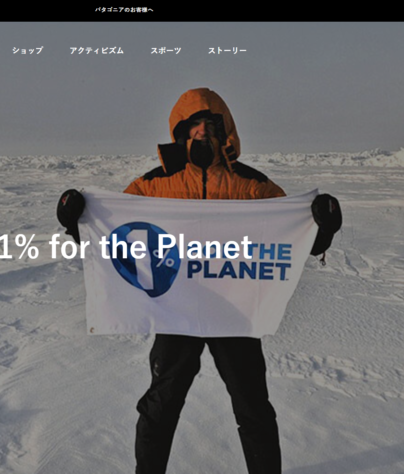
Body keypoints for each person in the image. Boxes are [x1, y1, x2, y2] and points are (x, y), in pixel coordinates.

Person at [57, 88, 342, 474]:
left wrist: (322, 228)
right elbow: (113, 238)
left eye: (210, 124)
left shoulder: (253, 186)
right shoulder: (153, 185)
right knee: (161, 406)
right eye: (194, 125)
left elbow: (291, 239)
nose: (202, 131)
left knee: (253, 407)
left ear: (225, 132)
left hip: (234, 313)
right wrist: (76, 222)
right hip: (175, 311)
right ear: (180, 131)